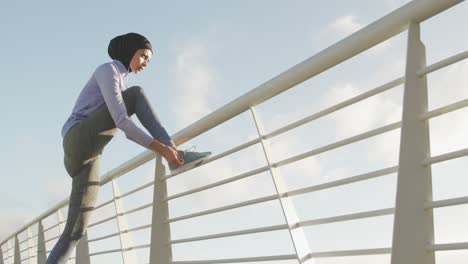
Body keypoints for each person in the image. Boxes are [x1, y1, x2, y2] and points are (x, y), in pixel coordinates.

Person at [46, 32, 211, 264]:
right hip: (77, 138)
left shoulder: (121, 79)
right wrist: (163, 150)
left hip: (89, 154)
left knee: (75, 231)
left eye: (149, 60)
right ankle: (176, 154)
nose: (145, 62)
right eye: (143, 55)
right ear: (130, 51)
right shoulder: (108, 71)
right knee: (136, 95)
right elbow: (122, 121)